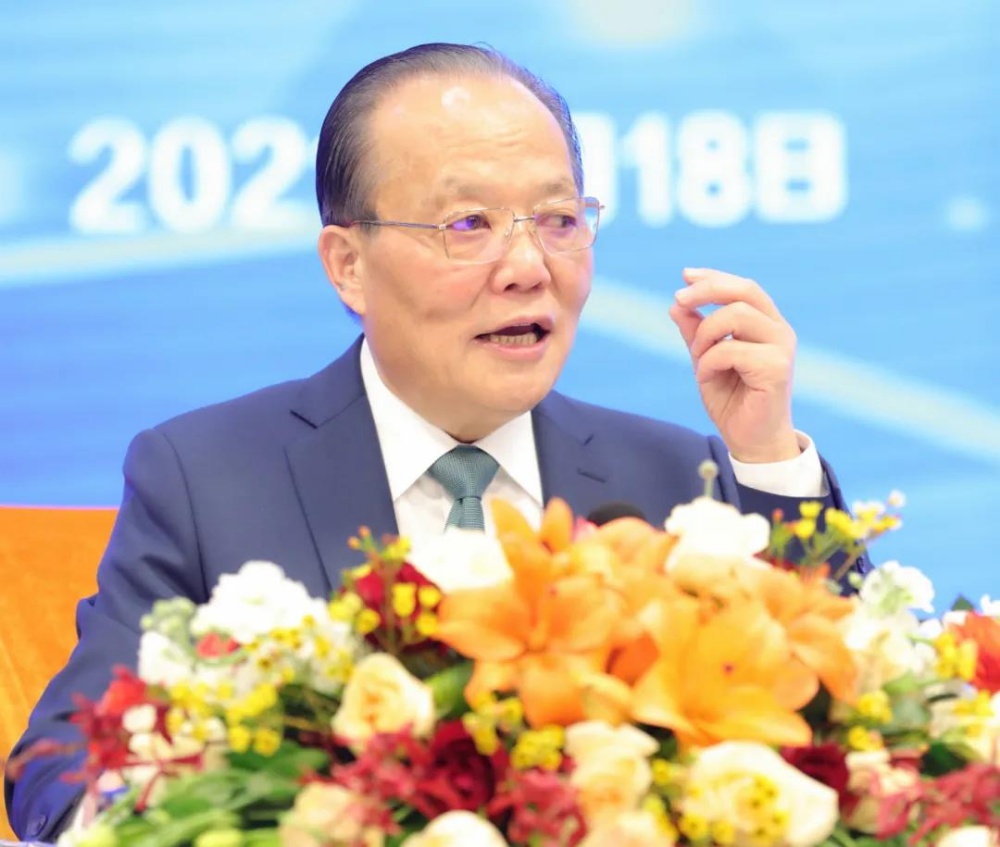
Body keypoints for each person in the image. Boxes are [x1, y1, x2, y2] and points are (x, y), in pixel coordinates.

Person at [5, 42, 865, 841]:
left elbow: (855, 735)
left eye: (558, 219)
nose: (529, 266)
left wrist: (766, 457)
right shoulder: (207, 478)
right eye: (467, 225)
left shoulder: (679, 479)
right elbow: (57, 769)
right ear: (347, 265)